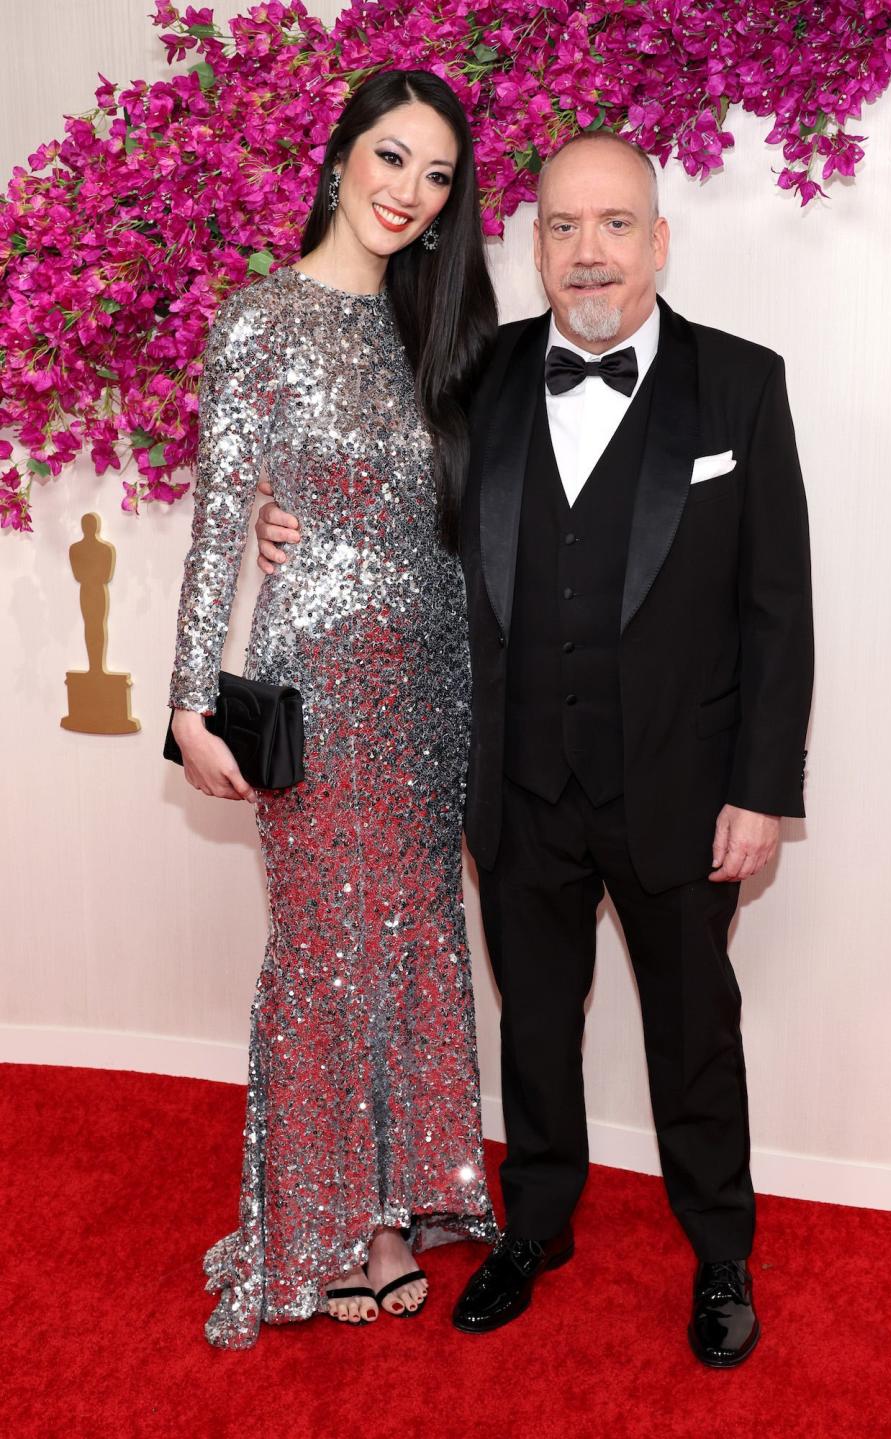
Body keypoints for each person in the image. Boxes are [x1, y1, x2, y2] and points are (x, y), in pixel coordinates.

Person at [255, 131, 814, 1367]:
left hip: (682, 788)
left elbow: (780, 607)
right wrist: (282, 512)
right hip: (512, 784)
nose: (589, 252)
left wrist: (763, 794)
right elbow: (385, 501)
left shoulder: (742, 385)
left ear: (658, 242)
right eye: (563, 227)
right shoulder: (478, 377)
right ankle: (537, 1226)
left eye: (615, 225)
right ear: (536, 244)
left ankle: (720, 1246)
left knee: (694, 1028)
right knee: (536, 1024)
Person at [168, 69, 499, 1349]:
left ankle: (404, 1201)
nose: (409, 192)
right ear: (342, 154)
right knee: (321, 946)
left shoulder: (443, 331)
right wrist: (194, 702)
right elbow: (215, 529)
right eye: (392, 157)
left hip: (434, 683)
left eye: (436, 176)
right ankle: (321, 1220)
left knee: (415, 927)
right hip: (315, 680)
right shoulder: (258, 321)